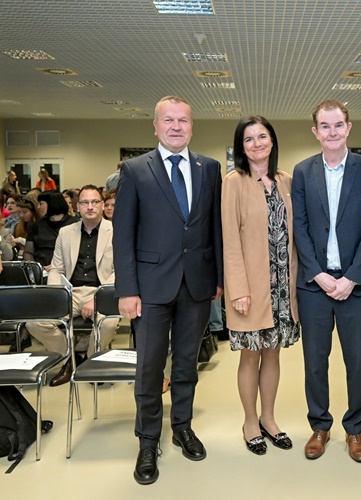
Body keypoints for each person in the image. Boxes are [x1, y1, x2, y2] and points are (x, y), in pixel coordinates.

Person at [114, 96, 223, 485]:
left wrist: (218, 279)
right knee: (149, 368)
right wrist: (127, 289)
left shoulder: (209, 168)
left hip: (196, 284)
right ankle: (147, 441)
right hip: (149, 288)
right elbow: (123, 235)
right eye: (168, 120)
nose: (176, 126)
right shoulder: (135, 170)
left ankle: (182, 427)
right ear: (155, 126)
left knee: (186, 365)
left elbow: (214, 228)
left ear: (192, 126)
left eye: (183, 120)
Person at [292, 99, 361, 463]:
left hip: (356, 287)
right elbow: (299, 226)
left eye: (338, 125)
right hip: (314, 286)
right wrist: (316, 273)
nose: (332, 132)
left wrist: (352, 277)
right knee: (315, 362)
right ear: (316, 131)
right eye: (325, 126)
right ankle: (320, 426)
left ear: (349, 127)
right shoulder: (303, 171)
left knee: (358, 362)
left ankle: (355, 429)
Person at [222, 116, 299, 456]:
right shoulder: (233, 183)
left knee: (273, 353)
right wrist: (238, 288)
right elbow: (229, 240)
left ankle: (269, 418)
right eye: (249, 139)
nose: (257, 144)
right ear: (241, 146)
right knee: (250, 356)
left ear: (272, 141)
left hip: (283, 287)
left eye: (262, 136)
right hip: (251, 289)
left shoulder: (286, 180)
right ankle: (250, 421)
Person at [25, 185, 119, 386]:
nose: (90, 207)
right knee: (34, 323)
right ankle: (70, 359)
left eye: (95, 202)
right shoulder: (66, 232)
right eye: (85, 202)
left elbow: (120, 271)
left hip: (102, 291)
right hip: (70, 292)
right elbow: (56, 269)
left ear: (102, 205)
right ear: (77, 207)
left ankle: (91, 363)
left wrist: (98, 298)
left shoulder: (117, 231)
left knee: (109, 323)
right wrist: (58, 295)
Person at [24, 191, 77, 271]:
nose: (38, 207)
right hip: (40, 270)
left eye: (41, 204)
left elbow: (77, 252)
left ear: (51, 203)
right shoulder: (36, 225)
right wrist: (35, 268)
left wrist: (56, 265)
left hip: (65, 269)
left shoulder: (74, 224)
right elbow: (28, 252)